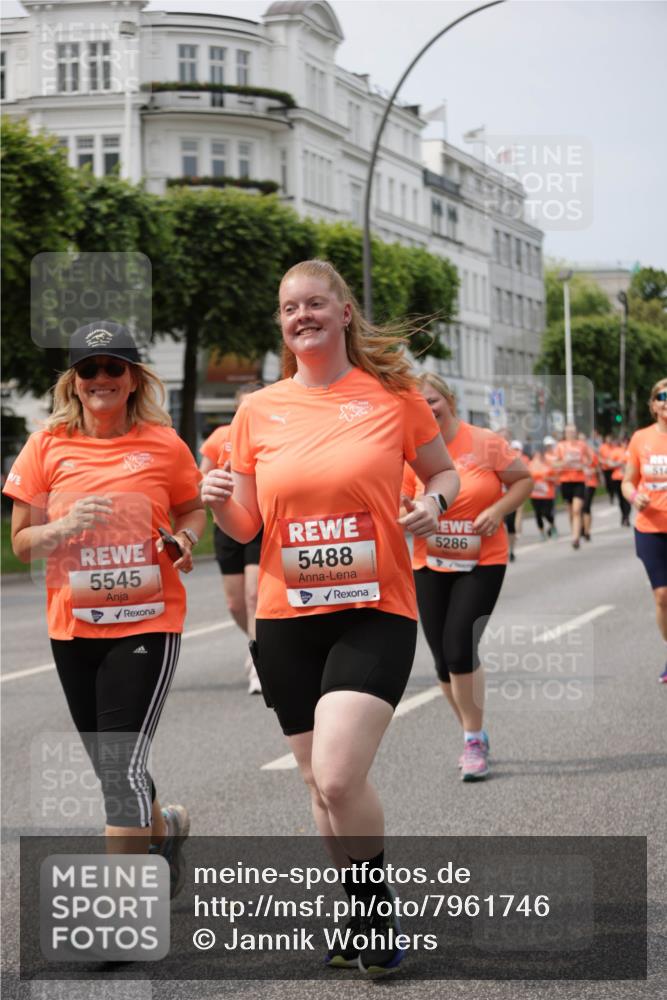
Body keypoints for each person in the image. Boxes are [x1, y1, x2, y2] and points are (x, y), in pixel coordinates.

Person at [202, 259, 459, 977]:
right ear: (281, 323)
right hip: (286, 616)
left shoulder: (392, 396)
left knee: (340, 777)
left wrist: (431, 505)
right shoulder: (257, 409)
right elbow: (248, 523)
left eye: (315, 303)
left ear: (344, 313)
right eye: (289, 308)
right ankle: (356, 913)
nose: (301, 316)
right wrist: (219, 495)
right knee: (317, 784)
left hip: (374, 608)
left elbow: (444, 472)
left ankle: (375, 915)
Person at [3, 321, 205, 896]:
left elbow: (193, 512)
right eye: (88, 370)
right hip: (73, 626)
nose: (100, 379)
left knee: (119, 768)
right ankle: (163, 831)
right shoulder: (47, 445)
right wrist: (62, 527)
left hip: (147, 622)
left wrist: (184, 541)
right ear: (73, 381)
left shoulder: (164, 444)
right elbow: (20, 543)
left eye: (112, 367)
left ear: (133, 377)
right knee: (112, 763)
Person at [403, 373, 532, 781]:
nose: (427, 409)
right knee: (443, 660)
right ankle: (471, 731)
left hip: (483, 559)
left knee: (460, 647)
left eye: (433, 400)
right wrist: (408, 513)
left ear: (450, 400)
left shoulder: (485, 442)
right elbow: (404, 500)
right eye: (419, 403)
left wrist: (498, 511)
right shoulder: (412, 452)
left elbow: (523, 479)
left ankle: (473, 739)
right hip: (429, 560)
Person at [199, 382, 265, 694]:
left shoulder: (272, 435)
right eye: (242, 407)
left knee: (254, 596)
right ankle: (255, 640)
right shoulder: (220, 438)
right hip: (226, 524)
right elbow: (200, 481)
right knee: (236, 601)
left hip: (260, 522)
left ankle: (260, 663)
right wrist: (214, 483)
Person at [621, 378, 667, 683]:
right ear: (653, 405)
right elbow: (627, 481)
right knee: (662, 596)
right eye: (662, 396)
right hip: (650, 526)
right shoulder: (641, 438)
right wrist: (634, 496)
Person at [550, 424, 592, 549]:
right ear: (565, 433)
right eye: (568, 431)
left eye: (573, 431)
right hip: (565, 481)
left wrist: (584, 465)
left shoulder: (582, 445)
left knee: (576, 510)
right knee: (570, 512)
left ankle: (575, 538)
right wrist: (564, 463)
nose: (571, 434)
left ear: (576, 432)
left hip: (579, 480)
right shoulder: (560, 446)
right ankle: (575, 531)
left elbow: (590, 459)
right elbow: (554, 464)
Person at [529, 442, 557, 539]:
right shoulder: (530, 465)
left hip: (547, 493)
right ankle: (541, 532)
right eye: (536, 453)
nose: (538, 455)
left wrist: (548, 479)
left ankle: (553, 526)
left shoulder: (549, 464)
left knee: (547, 513)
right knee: (538, 514)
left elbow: (556, 479)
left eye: (540, 453)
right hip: (535, 494)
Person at [581, 433, 600, 541]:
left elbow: (598, 468)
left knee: (586, 507)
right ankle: (582, 528)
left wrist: (592, 470)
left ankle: (587, 531)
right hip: (579, 483)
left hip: (591, 483)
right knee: (579, 508)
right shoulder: (575, 455)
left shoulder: (591, 453)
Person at [610, 437, 631, 526]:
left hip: (628, 478)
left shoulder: (631, 451)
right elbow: (610, 463)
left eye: (626, 442)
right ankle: (623, 515)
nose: (625, 443)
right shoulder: (616, 451)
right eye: (623, 442)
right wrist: (619, 463)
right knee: (620, 499)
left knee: (627, 499)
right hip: (617, 478)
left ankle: (626, 517)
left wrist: (626, 466)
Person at [599, 434, 616, 504]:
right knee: (607, 483)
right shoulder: (602, 447)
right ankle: (610, 493)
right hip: (605, 468)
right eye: (607, 439)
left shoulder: (614, 447)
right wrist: (604, 461)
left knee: (612, 482)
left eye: (610, 439)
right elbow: (599, 458)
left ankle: (612, 494)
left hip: (613, 468)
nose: (609, 441)